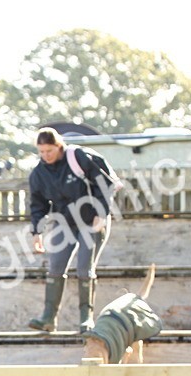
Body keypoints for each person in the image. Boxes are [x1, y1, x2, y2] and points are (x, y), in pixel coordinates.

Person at [27, 127, 120, 333]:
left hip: (91, 220)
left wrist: (101, 214)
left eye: (49, 151)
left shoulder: (78, 157)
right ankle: (48, 317)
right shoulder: (39, 173)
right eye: (41, 152)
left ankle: (86, 318)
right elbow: (38, 205)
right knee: (55, 266)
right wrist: (36, 232)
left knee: (84, 267)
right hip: (65, 222)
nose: (45, 156)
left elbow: (105, 183)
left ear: (59, 146)